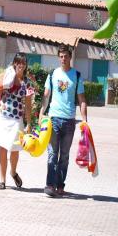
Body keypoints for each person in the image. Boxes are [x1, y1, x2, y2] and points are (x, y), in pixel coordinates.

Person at [39, 44, 87, 197]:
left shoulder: (77, 76)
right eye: (61, 56)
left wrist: (85, 121)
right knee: (53, 153)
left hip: (69, 121)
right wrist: (41, 114)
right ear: (58, 57)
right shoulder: (52, 74)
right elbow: (46, 96)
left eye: (66, 56)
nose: (63, 59)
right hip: (54, 119)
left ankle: (60, 185)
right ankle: (50, 185)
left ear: (70, 57)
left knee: (64, 156)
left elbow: (82, 100)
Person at [0, 53, 34, 190]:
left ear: (25, 65)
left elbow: (28, 105)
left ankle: (13, 172)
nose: (21, 65)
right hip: (2, 115)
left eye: (23, 63)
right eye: (18, 62)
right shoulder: (7, 77)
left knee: (15, 149)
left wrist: (29, 123)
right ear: (14, 63)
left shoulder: (27, 82)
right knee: (3, 148)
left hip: (17, 118)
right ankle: (2, 180)